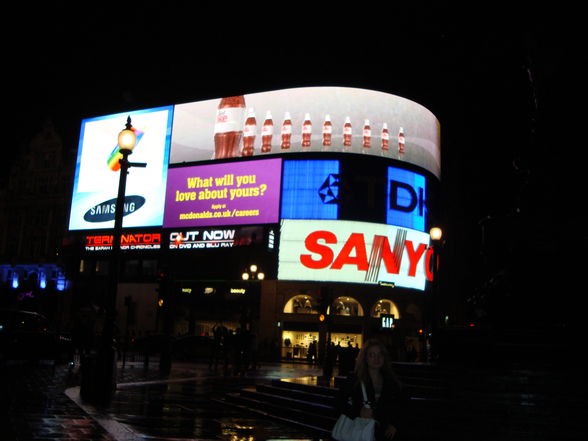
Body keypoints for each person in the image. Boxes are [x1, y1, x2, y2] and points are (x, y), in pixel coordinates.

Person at [335, 338, 407, 440]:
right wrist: (358, 411)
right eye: (372, 355)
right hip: (360, 431)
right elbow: (339, 402)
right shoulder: (355, 379)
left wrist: (395, 424)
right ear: (365, 358)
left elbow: (401, 404)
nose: (376, 358)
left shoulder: (391, 380)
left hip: (384, 433)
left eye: (379, 354)